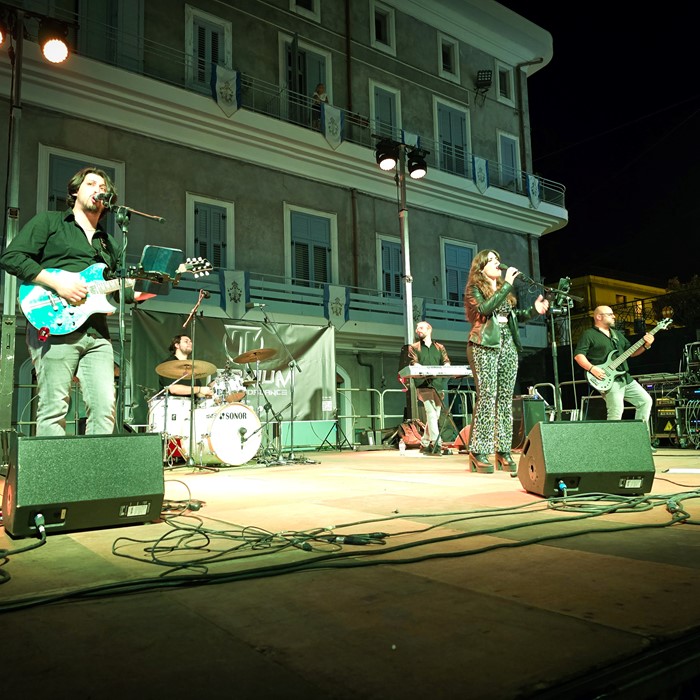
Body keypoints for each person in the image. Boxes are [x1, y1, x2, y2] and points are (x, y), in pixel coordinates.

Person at [0, 166, 153, 436]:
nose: (98, 190)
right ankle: (52, 466)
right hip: (54, 322)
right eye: (91, 184)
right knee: (54, 408)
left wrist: (152, 285)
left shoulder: (110, 244)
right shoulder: (50, 222)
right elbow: (12, 257)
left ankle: (96, 465)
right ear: (74, 191)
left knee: (105, 409)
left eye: (103, 188)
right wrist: (58, 283)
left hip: (97, 334)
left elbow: (120, 293)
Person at [463, 249, 549, 473]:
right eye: (491, 260)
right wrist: (508, 284)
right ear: (481, 267)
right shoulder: (474, 288)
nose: (497, 263)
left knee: (504, 399)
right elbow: (485, 309)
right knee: (487, 396)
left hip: (508, 344)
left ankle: (502, 450)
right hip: (484, 344)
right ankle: (478, 451)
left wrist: (534, 310)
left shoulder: (504, 289)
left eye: (497, 259)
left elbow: (513, 316)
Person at [573, 306, 654, 438]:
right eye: (610, 314)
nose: (614, 316)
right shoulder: (589, 334)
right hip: (608, 379)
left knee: (645, 401)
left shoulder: (617, 334)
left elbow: (631, 352)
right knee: (616, 411)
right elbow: (578, 356)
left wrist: (646, 345)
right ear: (599, 317)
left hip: (625, 377)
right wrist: (592, 368)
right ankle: (612, 442)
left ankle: (639, 438)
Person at [407, 321, 451, 456]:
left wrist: (446, 368)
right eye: (417, 328)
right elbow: (414, 363)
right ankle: (436, 443)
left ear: (429, 329)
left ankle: (425, 442)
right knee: (431, 413)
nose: (417, 330)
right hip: (423, 385)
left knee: (434, 416)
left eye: (421, 328)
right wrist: (425, 370)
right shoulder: (414, 347)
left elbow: (446, 362)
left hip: (437, 385)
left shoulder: (439, 347)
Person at [157, 334, 214, 400]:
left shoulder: (192, 367)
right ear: (177, 345)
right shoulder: (167, 365)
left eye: (190, 342)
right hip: (171, 404)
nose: (190, 343)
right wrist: (199, 389)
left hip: (190, 404)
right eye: (186, 341)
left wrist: (207, 392)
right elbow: (174, 389)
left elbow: (197, 393)